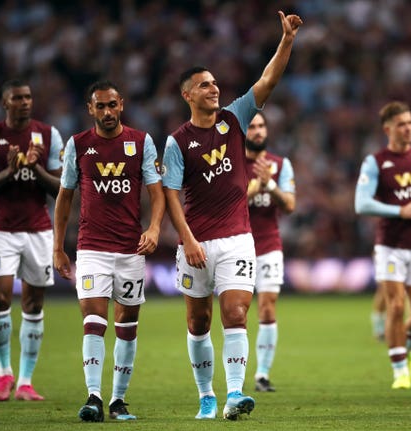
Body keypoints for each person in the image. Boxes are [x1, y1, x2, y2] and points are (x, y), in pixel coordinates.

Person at [161, 11, 302, 421]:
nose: (213, 88)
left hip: (239, 238)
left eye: (215, 83)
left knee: (237, 313)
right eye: (204, 84)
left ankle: (235, 394)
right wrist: (186, 239)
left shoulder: (234, 119)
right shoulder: (176, 142)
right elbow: (170, 195)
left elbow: (267, 81)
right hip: (196, 241)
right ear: (188, 95)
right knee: (197, 320)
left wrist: (287, 40)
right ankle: (206, 394)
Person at [53, 80, 165, 422]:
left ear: (121, 105)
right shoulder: (77, 145)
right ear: (90, 110)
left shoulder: (141, 142)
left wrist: (155, 227)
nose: (106, 112)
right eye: (100, 106)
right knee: (94, 320)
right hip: (92, 250)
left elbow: (157, 193)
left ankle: (118, 400)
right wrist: (58, 247)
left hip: (131, 250)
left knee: (127, 326)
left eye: (112, 105)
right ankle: (94, 397)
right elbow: (64, 198)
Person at [0, 79, 63, 402]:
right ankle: (3, 373)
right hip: (1, 231)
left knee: (34, 304)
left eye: (28, 97)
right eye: (17, 98)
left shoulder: (48, 135)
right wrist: (9, 173)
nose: (25, 102)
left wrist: (35, 168)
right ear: (5, 103)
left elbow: (60, 190)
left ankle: (25, 381)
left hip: (38, 230)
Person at [354, 101, 411, 390]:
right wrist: (400, 211)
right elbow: (361, 203)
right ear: (388, 129)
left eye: (410, 123)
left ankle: (405, 350)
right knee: (396, 306)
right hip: (389, 245)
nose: (408, 128)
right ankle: (399, 368)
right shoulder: (376, 162)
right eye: (401, 124)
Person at [244, 112, 296, 393]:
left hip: (269, 245)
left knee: (267, 307)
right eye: (252, 127)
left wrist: (270, 184)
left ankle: (262, 374)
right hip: (237, 246)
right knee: (237, 311)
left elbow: (289, 204)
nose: (258, 131)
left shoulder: (280, 164)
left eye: (261, 126)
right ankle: (235, 371)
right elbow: (228, 202)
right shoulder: (233, 163)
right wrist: (256, 187)